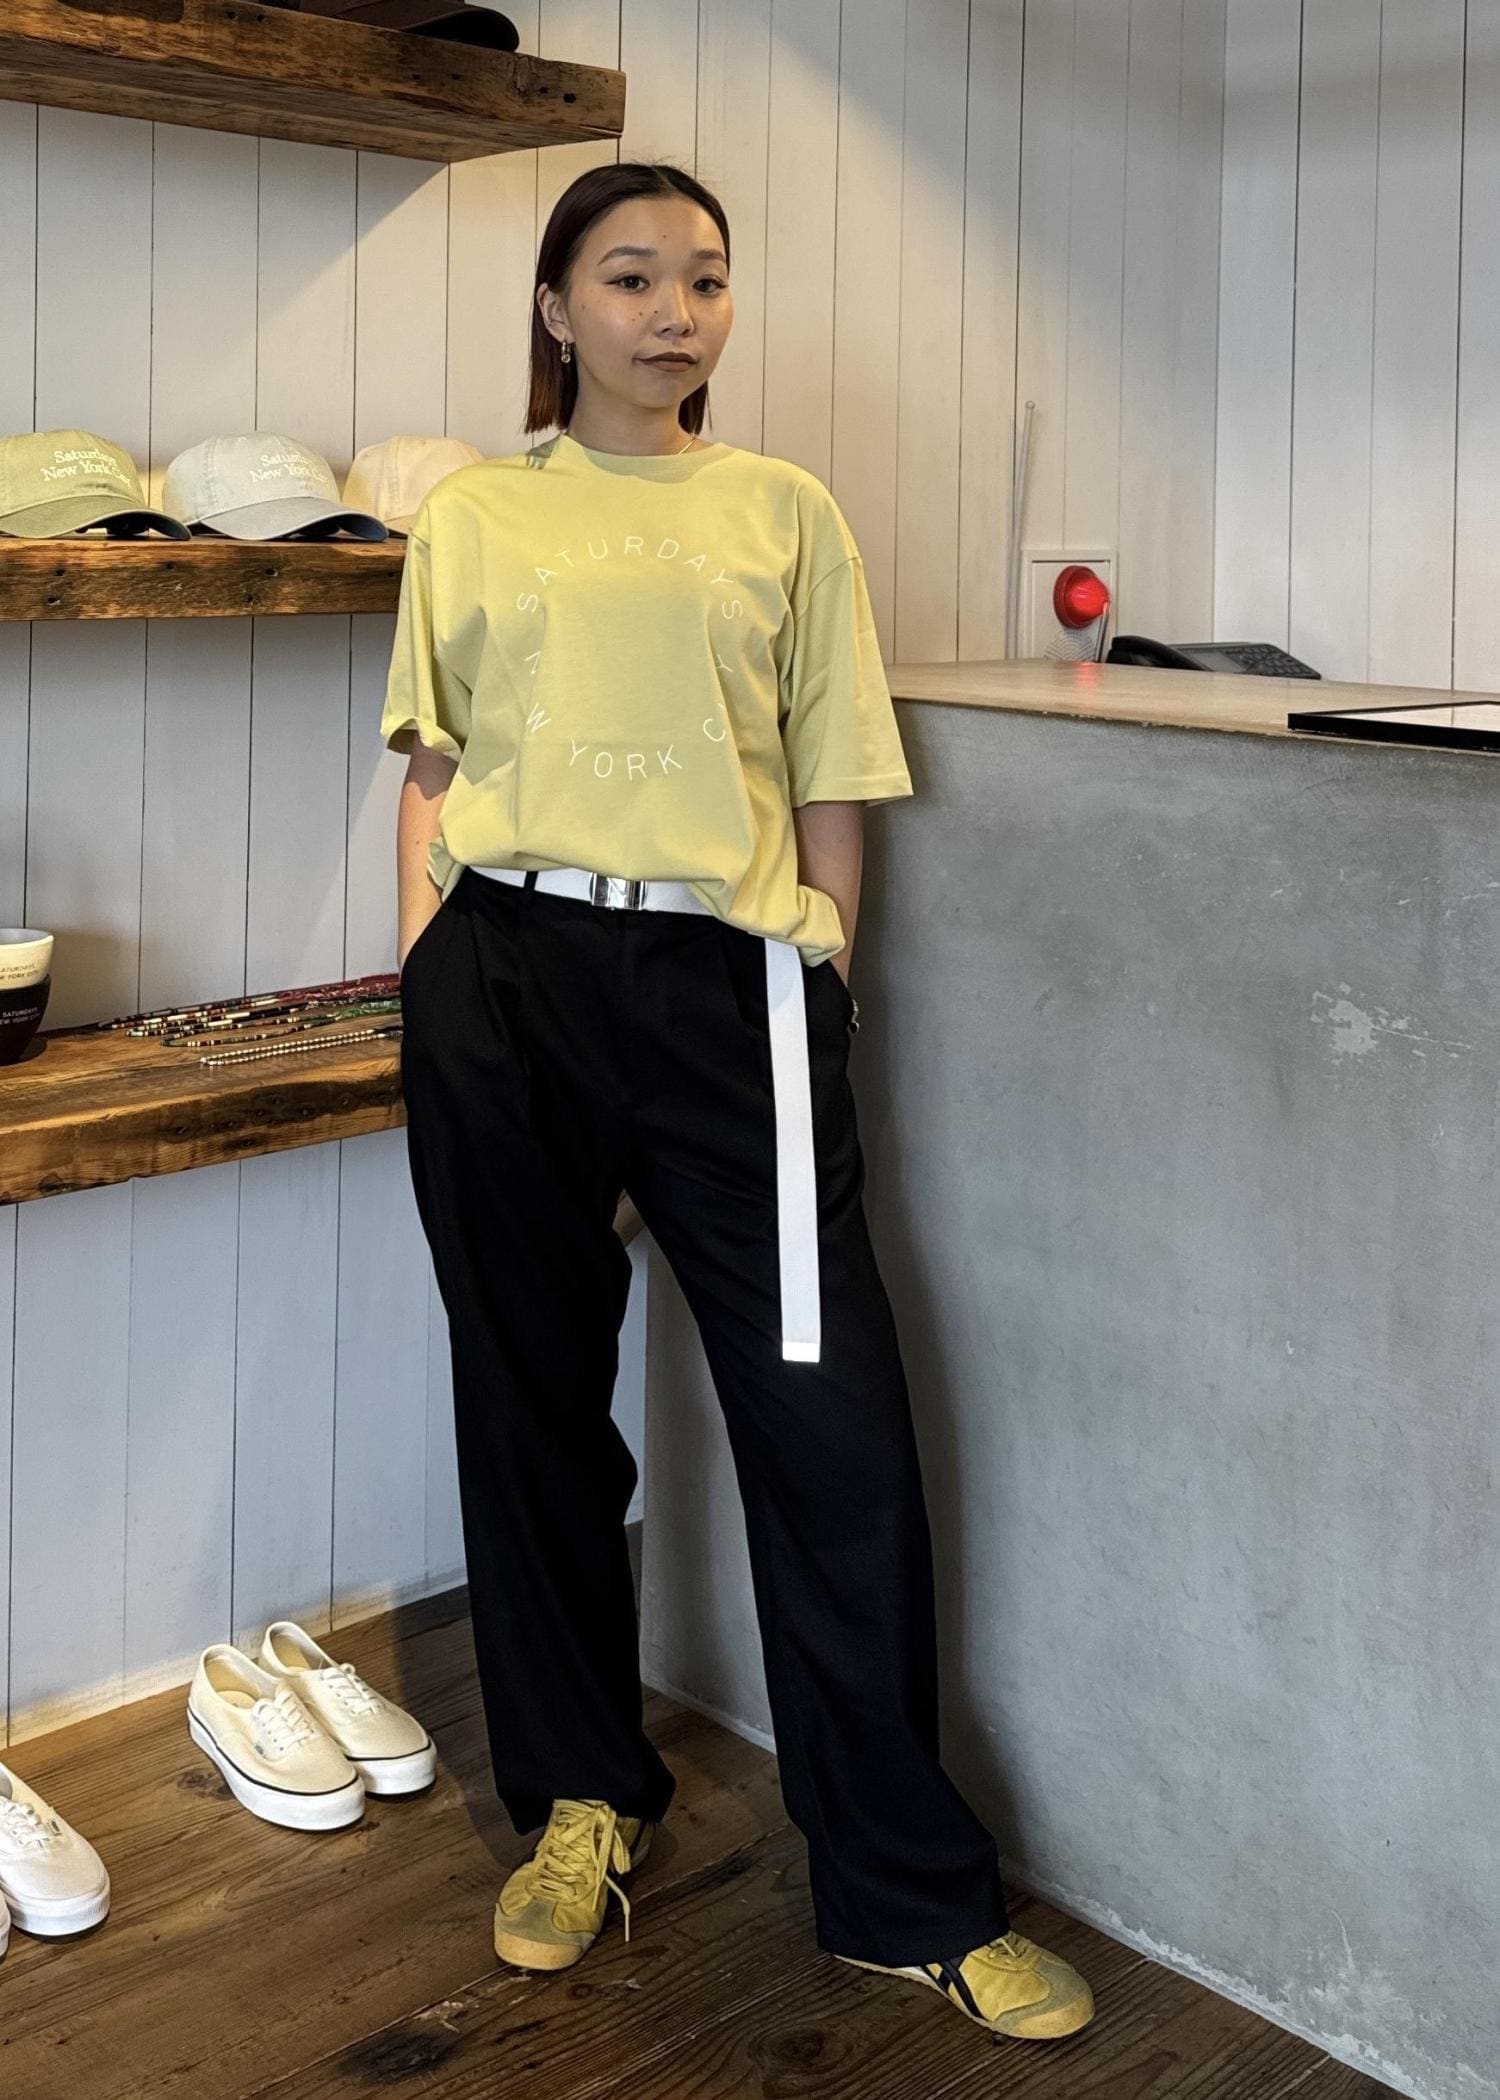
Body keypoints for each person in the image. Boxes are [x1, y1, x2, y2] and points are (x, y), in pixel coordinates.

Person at [380, 158, 1094, 2045]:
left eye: (704, 277)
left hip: (733, 995)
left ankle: (904, 1888)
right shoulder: (474, 514)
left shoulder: (784, 511)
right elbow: (435, 766)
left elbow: (836, 770)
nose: (674, 311)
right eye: (630, 277)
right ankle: (580, 1802)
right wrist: (429, 989)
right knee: (531, 1404)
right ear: (559, 309)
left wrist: (826, 971)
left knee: (828, 1429)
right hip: (506, 976)